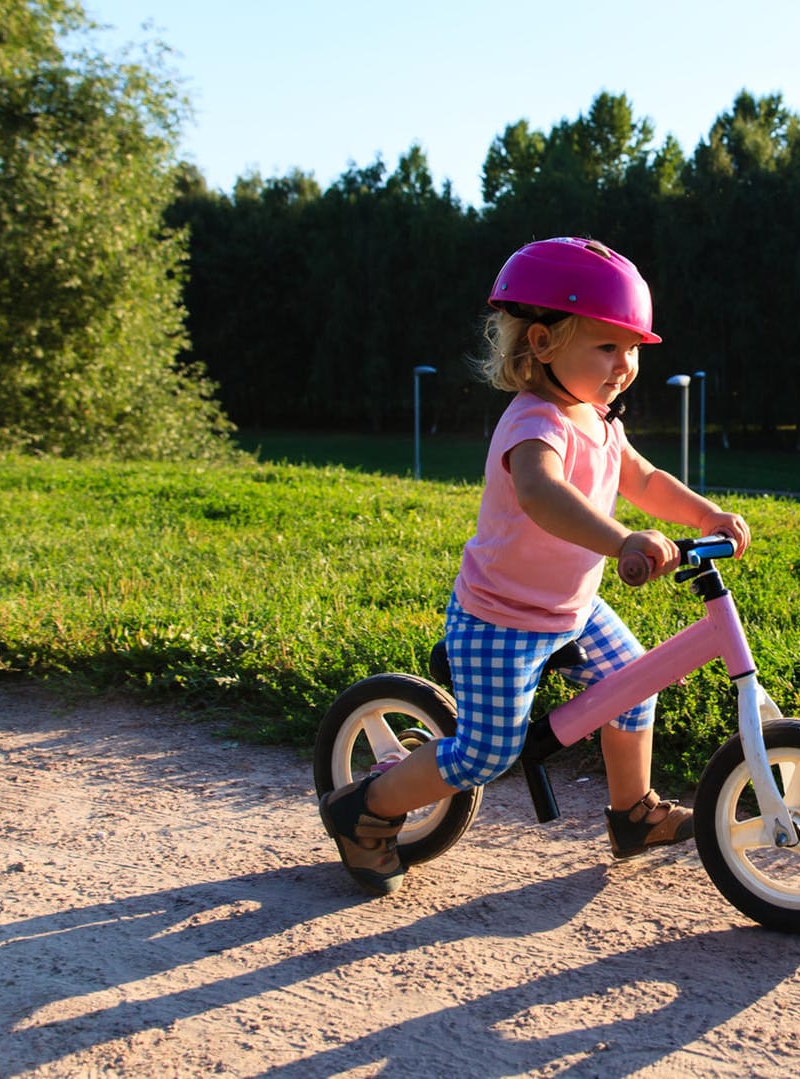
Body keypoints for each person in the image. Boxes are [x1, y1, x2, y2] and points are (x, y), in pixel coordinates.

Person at [319, 236, 751, 896]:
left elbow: (644, 476)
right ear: (543, 342)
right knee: (486, 753)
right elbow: (543, 497)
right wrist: (622, 541)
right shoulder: (534, 423)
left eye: (632, 349)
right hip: (500, 617)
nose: (624, 364)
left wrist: (703, 516)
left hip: (569, 609)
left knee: (635, 685)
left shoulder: (600, 418)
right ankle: (367, 809)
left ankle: (632, 813)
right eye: (607, 346)